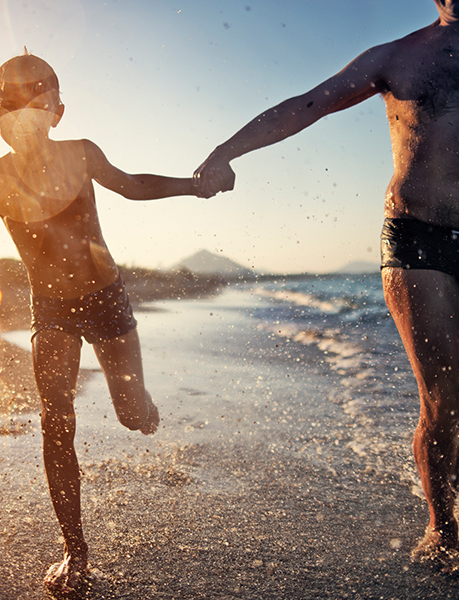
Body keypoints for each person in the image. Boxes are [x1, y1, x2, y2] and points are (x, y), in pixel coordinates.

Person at [0, 52, 201, 592]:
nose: (24, 111)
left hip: (107, 300)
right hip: (52, 311)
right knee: (55, 419)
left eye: (37, 98)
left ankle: (143, 404)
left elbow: (132, 185)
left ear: (58, 110)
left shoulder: (81, 155)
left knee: (133, 416)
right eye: (9, 102)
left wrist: (191, 184)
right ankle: (74, 549)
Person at [195, 0, 459, 571]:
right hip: (419, 239)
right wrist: (226, 150)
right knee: (445, 401)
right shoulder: (398, 57)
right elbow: (307, 105)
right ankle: (443, 524)